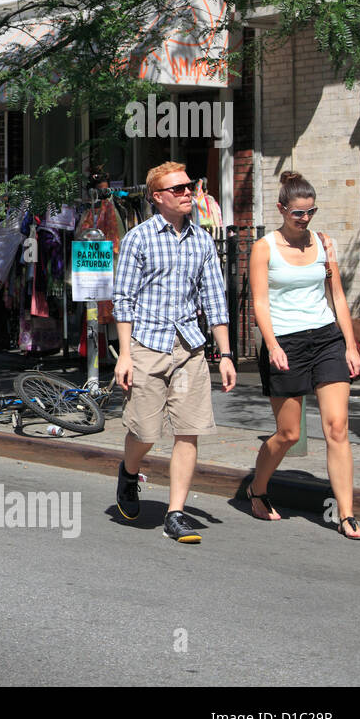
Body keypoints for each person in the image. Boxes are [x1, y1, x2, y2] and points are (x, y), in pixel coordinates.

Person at [112, 161, 238, 544]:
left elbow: (215, 299)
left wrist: (227, 354)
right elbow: (123, 299)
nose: (187, 193)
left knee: (189, 431)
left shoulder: (201, 240)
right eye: (178, 189)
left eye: (189, 187)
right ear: (158, 197)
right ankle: (129, 473)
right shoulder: (139, 238)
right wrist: (124, 354)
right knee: (145, 432)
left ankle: (176, 512)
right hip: (147, 345)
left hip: (188, 348)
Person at [249, 172, 360, 539]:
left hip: (326, 339)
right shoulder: (264, 247)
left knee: (337, 427)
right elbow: (260, 302)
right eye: (298, 213)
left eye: (310, 211)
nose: (305, 219)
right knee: (288, 433)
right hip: (285, 341)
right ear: (282, 208)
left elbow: (337, 298)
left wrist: (349, 344)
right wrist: (272, 345)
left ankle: (346, 514)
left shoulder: (325, 244)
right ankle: (257, 488)